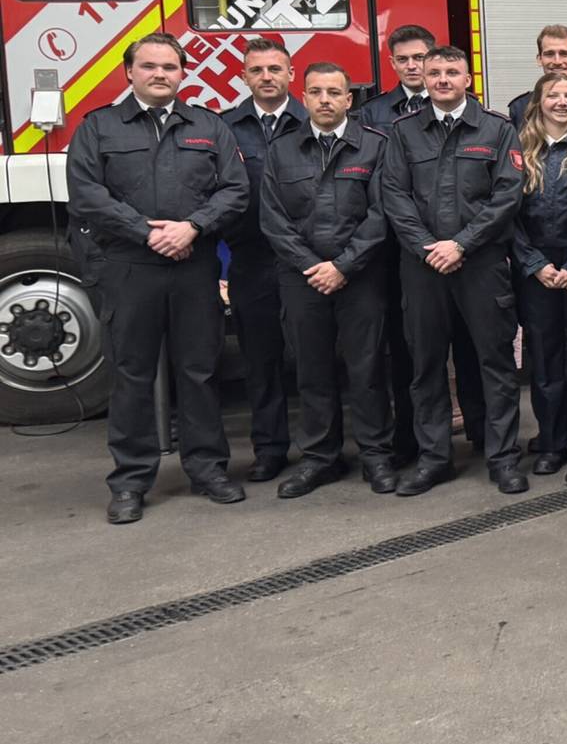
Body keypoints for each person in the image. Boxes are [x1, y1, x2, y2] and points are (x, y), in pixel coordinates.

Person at [70, 33, 251, 524]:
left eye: (169, 66)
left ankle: (208, 469)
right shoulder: (99, 127)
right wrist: (145, 233)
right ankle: (130, 481)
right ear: (128, 72)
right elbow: (87, 195)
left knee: (200, 371)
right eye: (149, 66)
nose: (160, 74)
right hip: (131, 269)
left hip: (194, 267)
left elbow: (236, 191)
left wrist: (193, 227)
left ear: (182, 73)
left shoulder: (207, 126)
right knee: (132, 375)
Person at [376, 45, 528, 497]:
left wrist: (461, 243)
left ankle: (502, 458)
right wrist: (429, 248)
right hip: (422, 267)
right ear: (422, 76)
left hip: (480, 265)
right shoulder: (403, 132)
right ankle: (434, 458)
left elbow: (508, 194)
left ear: (468, 78)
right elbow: (394, 195)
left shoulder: (497, 129)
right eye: (435, 71)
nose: (442, 79)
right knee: (425, 366)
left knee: (496, 363)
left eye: (452, 72)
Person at [259, 62, 394, 498]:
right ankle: (321, 458)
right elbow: (272, 219)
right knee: (312, 370)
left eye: (334, 92)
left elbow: (382, 213)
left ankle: (376, 454)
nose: (324, 100)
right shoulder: (281, 151)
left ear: (349, 99)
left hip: (362, 276)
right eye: (315, 92)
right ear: (303, 96)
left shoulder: (375, 146)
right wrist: (312, 266)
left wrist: (344, 265)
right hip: (303, 279)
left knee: (368, 368)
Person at [357, 23, 477, 468]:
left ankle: (482, 436)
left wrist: (457, 244)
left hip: (465, 255)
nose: (415, 67)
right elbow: (384, 187)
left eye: (420, 58)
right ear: (395, 64)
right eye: (405, 60)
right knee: (411, 354)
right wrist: (424, 245)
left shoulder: (476, 118)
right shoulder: (374, 114)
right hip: (399, 253)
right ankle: (414, 443)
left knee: (470, 350)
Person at [218, 36, 305, 483]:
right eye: (257, 70)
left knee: (315, 359)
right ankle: (270, 449)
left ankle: (318, 448)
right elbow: (212, 197)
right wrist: (221, 264)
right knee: (261, 359)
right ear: (244, 76)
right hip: (251, 259)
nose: (267, 77)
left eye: (275, 69)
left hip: (307, 261)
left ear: (291, 73)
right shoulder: (224, 129)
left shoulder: (313, 121)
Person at [513, 72, 567, 477]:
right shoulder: (520, 148)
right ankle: (551, 442)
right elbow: (506, 216)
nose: (562, 102)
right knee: (544, 361)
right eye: (553, 95)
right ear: (538, 100)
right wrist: (535, 265)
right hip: (537, 271)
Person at [507, 24, 567, 128]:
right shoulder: (520, 107)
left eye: (564, 54)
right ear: (539, 59)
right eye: (549, 54)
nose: (557, 61)